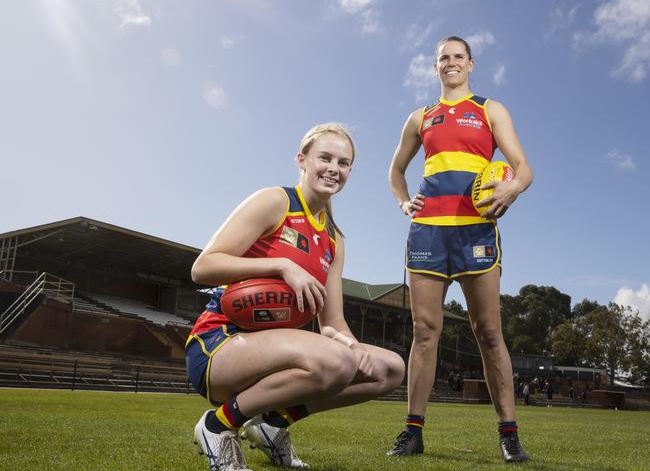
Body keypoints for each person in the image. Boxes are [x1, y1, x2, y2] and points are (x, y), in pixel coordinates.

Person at [186, 123, 405, 471]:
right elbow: (202, 268)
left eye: (344, 163)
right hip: (219, 344)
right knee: (337, 361)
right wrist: (282, 265)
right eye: (326, 158)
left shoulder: (334, 239)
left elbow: (332, 323)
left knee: (390, 369)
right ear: (302, 160)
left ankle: (273, 425)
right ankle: (217, 426)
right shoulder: (276, 201)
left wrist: (353, 346)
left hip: (277, 354)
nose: (334, 168)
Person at [387, 36, 533, 463]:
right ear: (436, 68)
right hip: (428, 230)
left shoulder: (490, 109)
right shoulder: (421, 117)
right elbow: (396, 170)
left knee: (489, 333)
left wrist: (511, 189)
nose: (450, 63)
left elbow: (523, 167)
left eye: (457, 57)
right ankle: (413, 432)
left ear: (471, 64)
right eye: (443, 58)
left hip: (476, 231)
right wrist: (402, 201)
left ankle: (509, 434)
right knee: (425, 331)